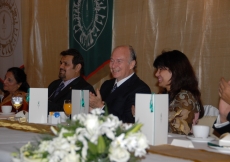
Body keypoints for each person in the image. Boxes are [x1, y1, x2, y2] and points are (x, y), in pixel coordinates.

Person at [89, 45, 151, 123]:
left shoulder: (141, 89)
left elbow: (129, 123)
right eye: (111, 61)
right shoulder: (106, 85)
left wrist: (100, 107)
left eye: (119, 61)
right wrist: (91, 109)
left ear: (132, 64)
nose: (113, 65)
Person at [153, 50, 204, 135]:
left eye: (161, 69)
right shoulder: (163, 95)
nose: (156, 74)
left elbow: (178, 131)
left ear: (175, 70)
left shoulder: (185, 97)